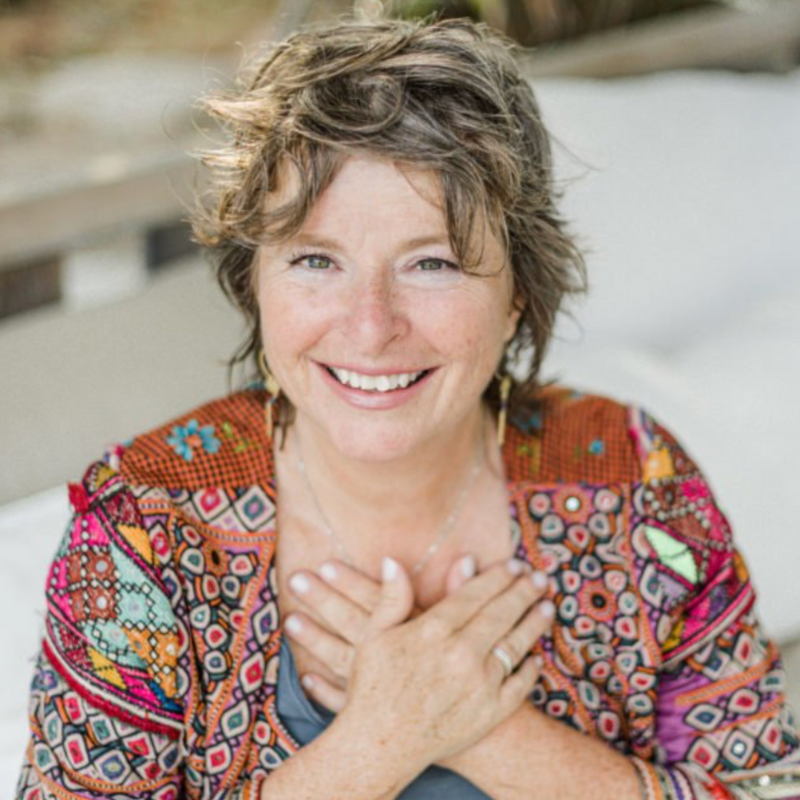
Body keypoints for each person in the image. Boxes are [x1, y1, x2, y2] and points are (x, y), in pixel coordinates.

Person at [16, 15, 800, 800]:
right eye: (316, 260)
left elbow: (767, 787)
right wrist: (381, 740)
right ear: (255, 281)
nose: (370, 327)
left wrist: (494, 736)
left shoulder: (634, 479)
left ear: (518, 292)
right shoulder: (145, 530)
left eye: (432, 264)